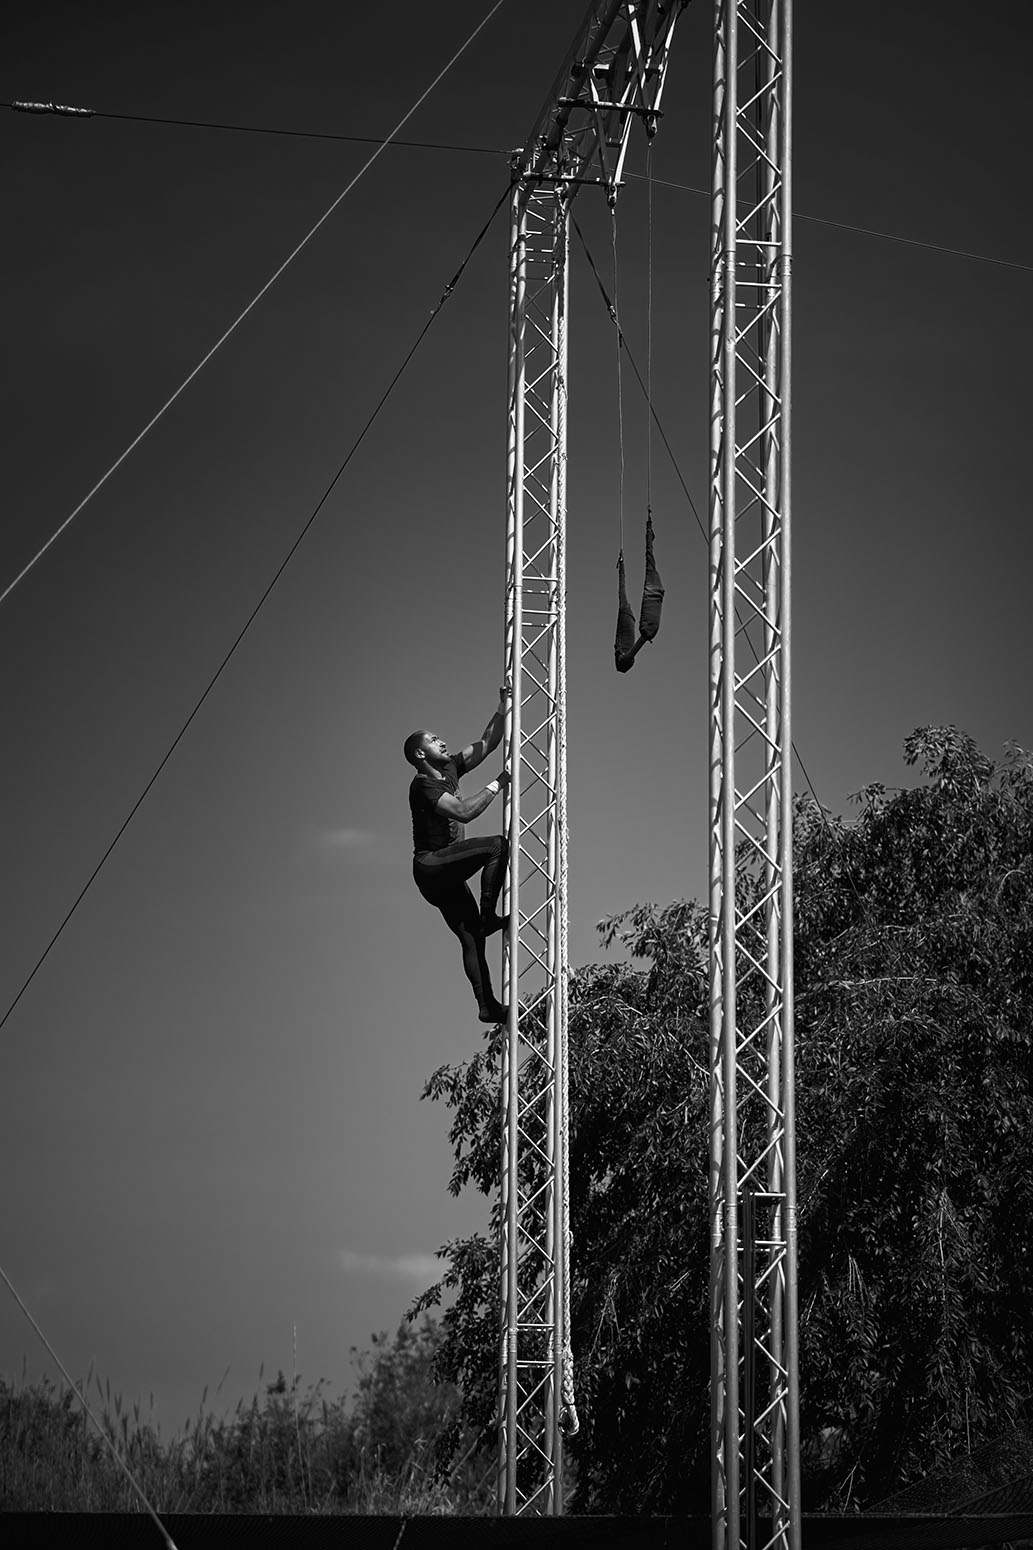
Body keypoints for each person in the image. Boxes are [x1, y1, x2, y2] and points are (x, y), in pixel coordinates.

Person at [405, 685, 511, 1024]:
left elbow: (487, 742)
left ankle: (487, 1007)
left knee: (471, 937)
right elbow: (464, 812)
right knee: (496, 845)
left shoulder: (450, 767)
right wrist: (499, 783)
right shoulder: (422, 785)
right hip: (431, 867)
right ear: (420, 754)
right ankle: (490, 915)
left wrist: (503, 704)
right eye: (434, 740)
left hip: (446, 870)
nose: (442, 742)